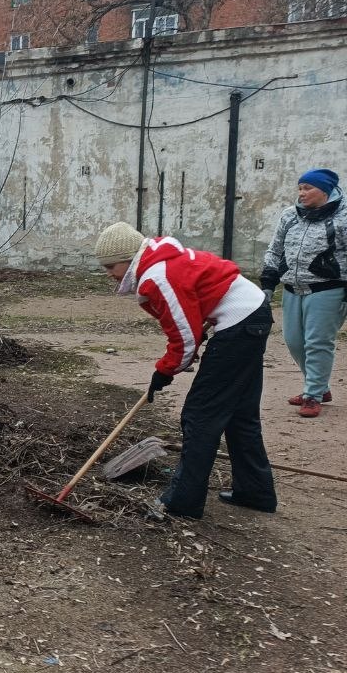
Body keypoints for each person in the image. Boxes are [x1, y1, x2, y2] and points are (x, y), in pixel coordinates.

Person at [96, 222, 277, 519]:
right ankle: (255, 491)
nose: (108, 273)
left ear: (129, 259)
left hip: (240, 325)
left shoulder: (158, 276)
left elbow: (184, 335)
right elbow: (191, 317)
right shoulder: (159, 263)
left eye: (110, 266)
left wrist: (165, 371)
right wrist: (172, 364)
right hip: (250, 316)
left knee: (200, 415)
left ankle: (183, 501)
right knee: (240, 415)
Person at [260, 168, 346, 419]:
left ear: (325, 190)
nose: (302, 193)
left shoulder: (343, 216)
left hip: (328, 288)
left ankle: (313, 394)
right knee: (295, 341)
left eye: (308, 188)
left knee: (318, 342)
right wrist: (268, 280)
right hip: (292, 287)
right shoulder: (290, 215)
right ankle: (320, 387)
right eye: (299, 188)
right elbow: (275, 249)